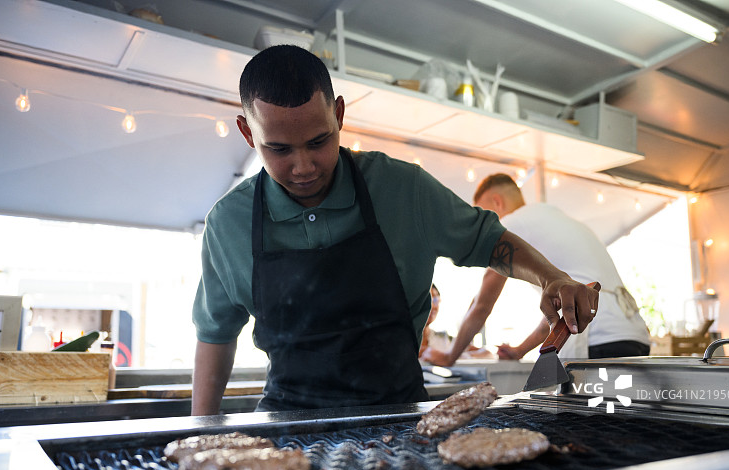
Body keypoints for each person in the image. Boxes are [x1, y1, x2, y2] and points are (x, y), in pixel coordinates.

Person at [190, 45, 599, 414]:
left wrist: (551, 277)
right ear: (248, 132)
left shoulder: (404, 189)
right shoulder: (228, 223)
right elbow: (215, 335)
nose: (303, 166)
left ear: (339, 115)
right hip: (287, 422)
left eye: (318, 141)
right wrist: (198, 431)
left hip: (399, 419)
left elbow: (489, 240)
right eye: (279, 149)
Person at [420, 173, 650, 368]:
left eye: (484, 213)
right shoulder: (559, 220)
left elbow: (482, 304)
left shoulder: (511, 223)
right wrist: (520, 350)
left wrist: (449, 357)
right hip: (634, 337)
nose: (484, 226)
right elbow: (557, 312)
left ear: (497, 202)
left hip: (595, 339)